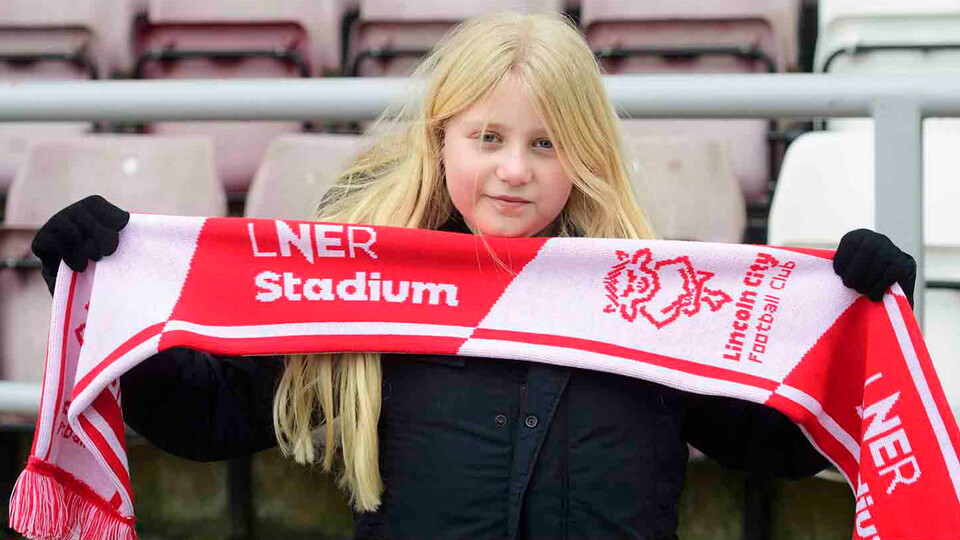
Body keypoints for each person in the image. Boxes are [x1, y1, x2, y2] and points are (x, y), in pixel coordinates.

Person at [31, 12, 917, 540]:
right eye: (486, 140)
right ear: (441, 142)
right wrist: (112, 292)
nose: (514, 171)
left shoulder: (657, 300)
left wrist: (856, 316)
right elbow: (207, 418)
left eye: (545, 144)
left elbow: (776, 446)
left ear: (588, 156)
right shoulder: (357, 288)